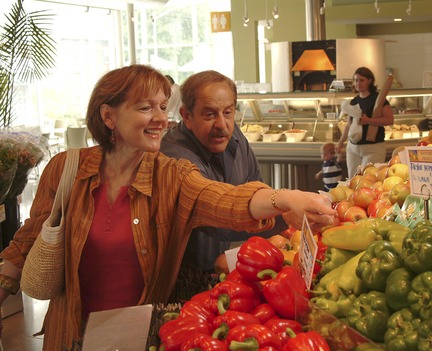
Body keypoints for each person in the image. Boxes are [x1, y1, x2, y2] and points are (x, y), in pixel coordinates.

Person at [0, 64, 336, 350]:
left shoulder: (171, 175)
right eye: (146, 108)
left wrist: (285, 198)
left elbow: (225, 199)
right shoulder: (66, 169)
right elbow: (29, 238)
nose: (161, 119)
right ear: (109, 116)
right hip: (69, 334)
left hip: (140, 336)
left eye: (163, 107)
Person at [160, 70, 290, 300]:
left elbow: (257, 186)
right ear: (186, 116)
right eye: (209, 115)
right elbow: (218, 215)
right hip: (181, 282)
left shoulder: (235, 137)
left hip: (225, 270)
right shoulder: (174, 156)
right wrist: (287, 211)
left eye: (228, 112)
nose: (222, 124)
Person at [336, 67, 394, 178]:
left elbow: (389, 120)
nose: (358, 83)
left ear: (370, 81)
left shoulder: (378, 99)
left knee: (368, 178)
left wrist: (368, 120)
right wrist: (340, 143)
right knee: (353, 179)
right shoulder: (354, 101)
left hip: (373, 148)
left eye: (361, 80)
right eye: (356, 80)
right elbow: (349, 125)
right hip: (353, 148)